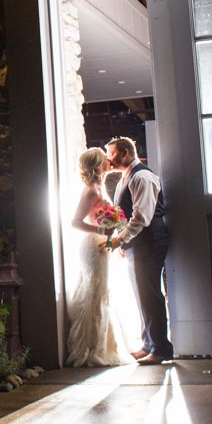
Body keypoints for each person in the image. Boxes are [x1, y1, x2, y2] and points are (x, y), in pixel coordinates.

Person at [103, 136, 172, 364]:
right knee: (141, 293)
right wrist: (124, 242)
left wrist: (120, 239)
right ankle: (148, 344)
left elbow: (142, 217)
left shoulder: (142, 176)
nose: (108, 159)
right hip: (138, 241)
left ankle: (161, 349)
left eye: (111, 153)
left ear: (125, 152)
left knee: (149, 293)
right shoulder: (125, 177)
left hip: (150, 239)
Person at [65, 147, 128, 366]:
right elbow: (75, 221)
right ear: (97, 164)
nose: (108, 160)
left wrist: (113, 237)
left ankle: (104, 346)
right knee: (96, 291)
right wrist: (100, 230)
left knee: (102, 291)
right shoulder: (91, 190)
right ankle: (91, 348)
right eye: (104, 158)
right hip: (92, 246)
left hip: (102, 244)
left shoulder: (99, 187)